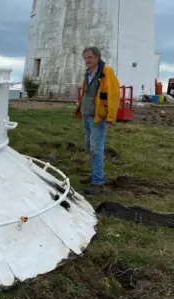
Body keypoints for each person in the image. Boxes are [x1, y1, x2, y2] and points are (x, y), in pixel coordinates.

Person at [74, 46, 120, 195]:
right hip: (87, 116)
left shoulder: (106, 72)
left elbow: (113, 95)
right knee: (89, 147)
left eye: (90, 57)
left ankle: (98, 182)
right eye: (85, 58)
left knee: (96, 149)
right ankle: (95, 174)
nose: (87, 60)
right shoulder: (88, 73)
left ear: (97, 57)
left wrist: (111, 118)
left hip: (98, 118)